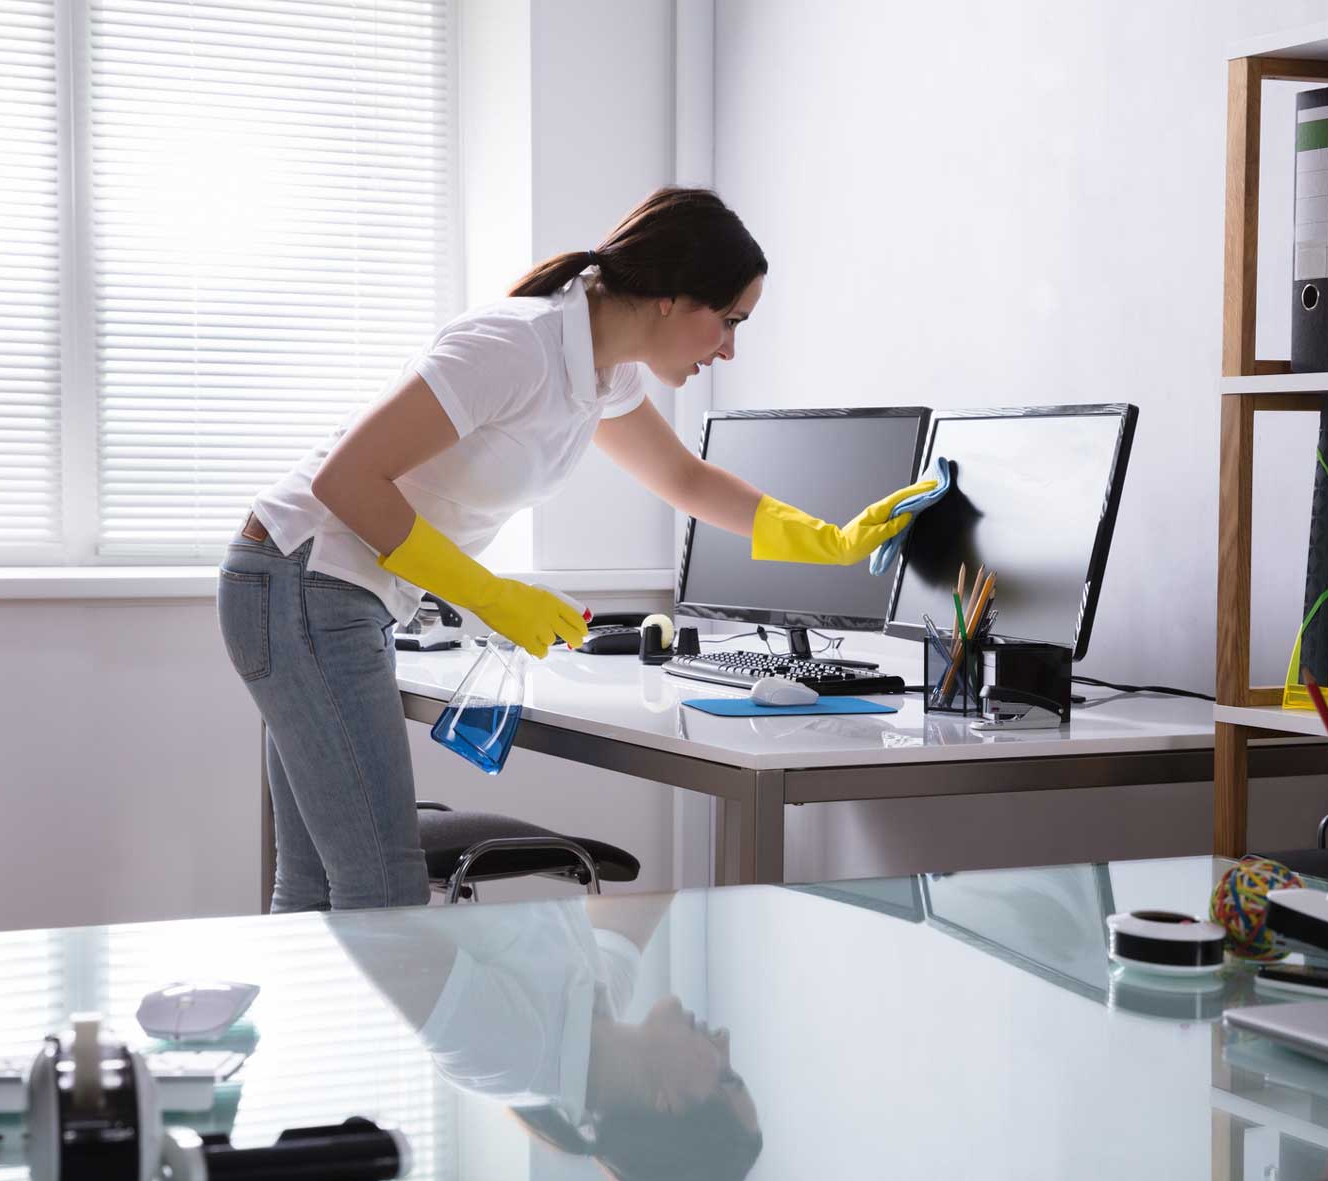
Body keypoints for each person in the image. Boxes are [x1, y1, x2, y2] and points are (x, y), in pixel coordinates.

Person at [219, 186, 937, 912]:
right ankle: (385, 1031)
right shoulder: (513, 346)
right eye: (727, 321)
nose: (729, 348)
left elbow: (684, 478)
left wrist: (832, 541)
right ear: (669, 296)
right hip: (301, 579)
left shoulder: (601, 371)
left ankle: (328, 1028)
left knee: (317, 884)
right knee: (381, 887)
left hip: (316, 589)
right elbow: (348, 479)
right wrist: (491, 595)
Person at [327, 893, 761, 1181]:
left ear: (669, 1104)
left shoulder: (511, 1053)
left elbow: (363, 915)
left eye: (725, 1076)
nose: (723, 1039)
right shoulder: (604, 999)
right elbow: (658, 870)